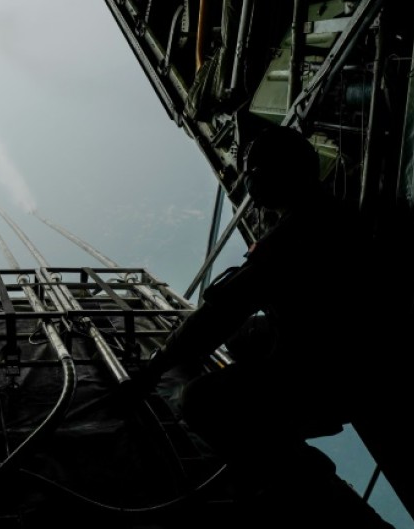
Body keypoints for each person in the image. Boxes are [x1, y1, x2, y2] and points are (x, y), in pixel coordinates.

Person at [136, 125, 394, 528]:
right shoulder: (333, 215)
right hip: (354, 358)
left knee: (201, 399)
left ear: (276, 172)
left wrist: (153, 369)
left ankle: (295, 474)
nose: (247, 179)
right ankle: (282, 423)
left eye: (253, 169)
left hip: (330, 371)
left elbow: (224, 310)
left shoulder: (296, 233)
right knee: (245, 337)